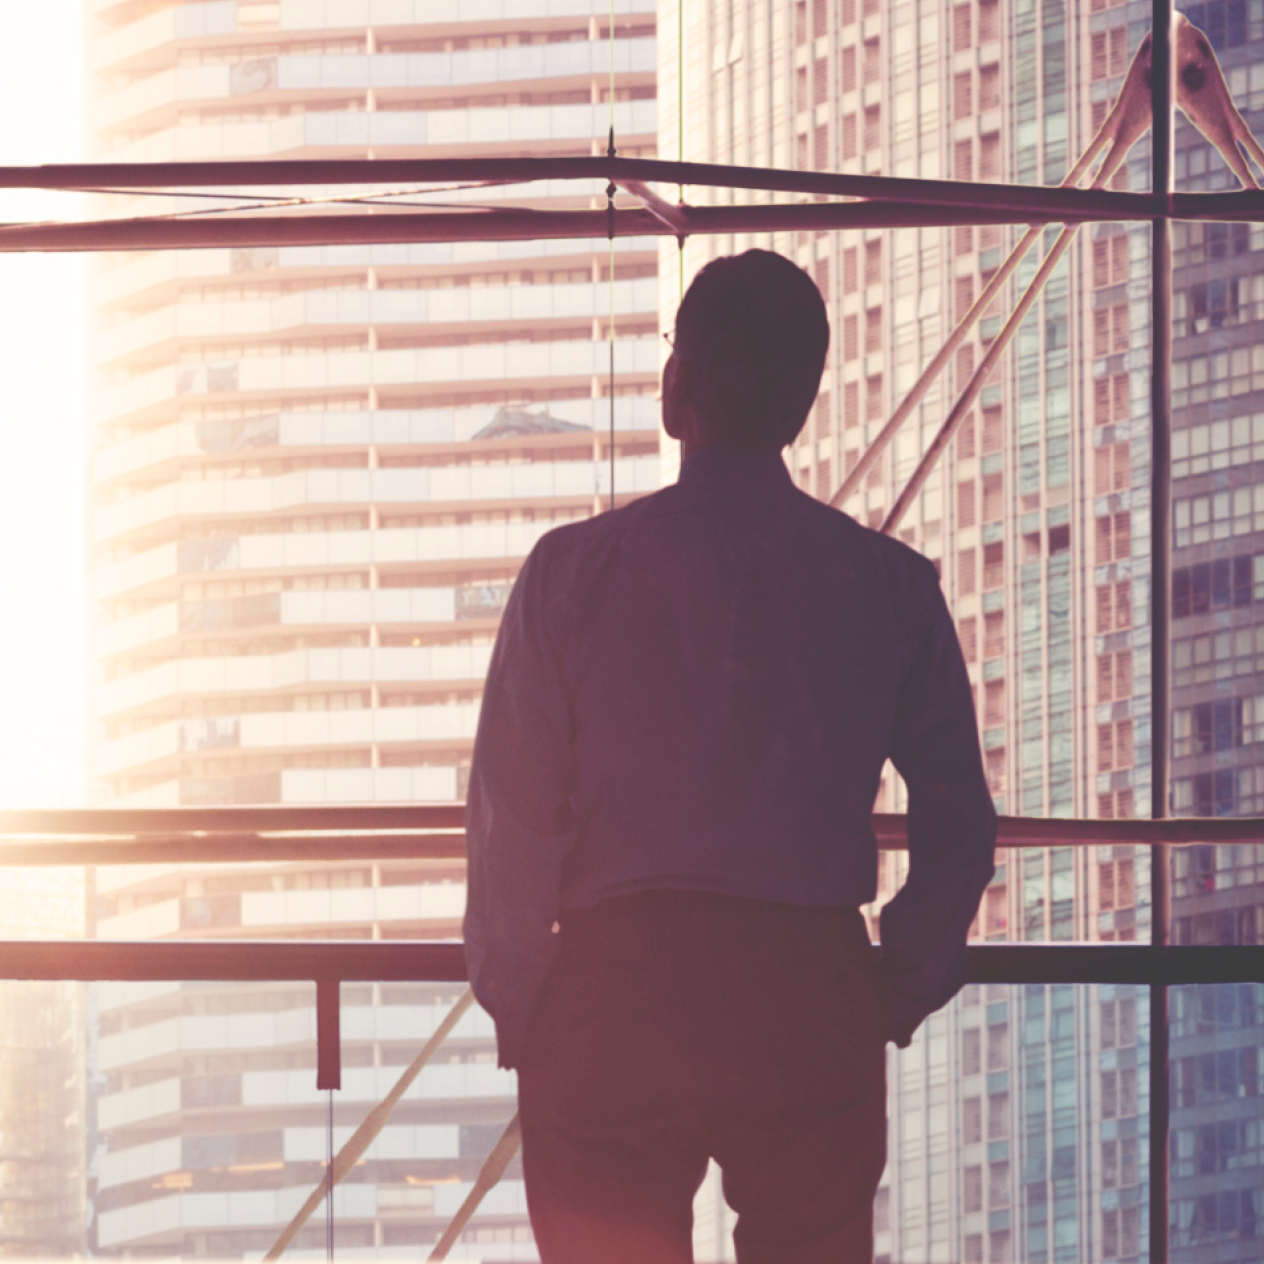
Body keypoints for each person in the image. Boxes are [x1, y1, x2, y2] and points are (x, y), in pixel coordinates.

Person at [464, 248, 997, 1264]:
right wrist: (890, 984)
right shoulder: (890, 588)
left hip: (613, 988)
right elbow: (959, 825)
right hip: (806, 984)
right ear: (803, 404)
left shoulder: (570, 575)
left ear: (676, 388)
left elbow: (511, 820)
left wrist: (530, 1004)